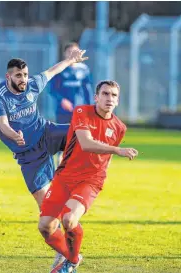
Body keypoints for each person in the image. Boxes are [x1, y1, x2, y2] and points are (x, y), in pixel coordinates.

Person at [0, 49, 88, 268]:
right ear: (9, 77)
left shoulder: (33, 84)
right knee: (48, 216)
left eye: (25, 75)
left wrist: (70, 60)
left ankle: (86, 176)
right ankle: (65, 254)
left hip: (46, 133)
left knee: (80, 131)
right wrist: (12, 133)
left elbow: (51, 72)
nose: (23, 79)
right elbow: (2, 122)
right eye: (18, 76)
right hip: (29, 156)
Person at [38, 80, 139, 273]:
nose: (110, 98)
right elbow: (86, 143)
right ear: (96, 97)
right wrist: (118, 150)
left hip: (90, 181)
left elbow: (106, 158)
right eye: (105, 94)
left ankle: (69, 263)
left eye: (114, 95)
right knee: (45, 227)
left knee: (68, 220)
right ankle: (74, 259)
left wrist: (101, 177)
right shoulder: (81, 112)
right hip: (65, 176)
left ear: (118, 101)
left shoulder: (119, 127)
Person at [50, 42, 93, 124]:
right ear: (64, 54)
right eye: (70, 52)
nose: (72, 55)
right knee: (63, 133)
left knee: (79, 134)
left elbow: (87, 90)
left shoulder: (84, 69)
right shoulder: (59, 69)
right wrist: (62, 100)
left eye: (75, 52)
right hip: (63, 110)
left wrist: (90, 107)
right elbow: (52, 89)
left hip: (80, 109)